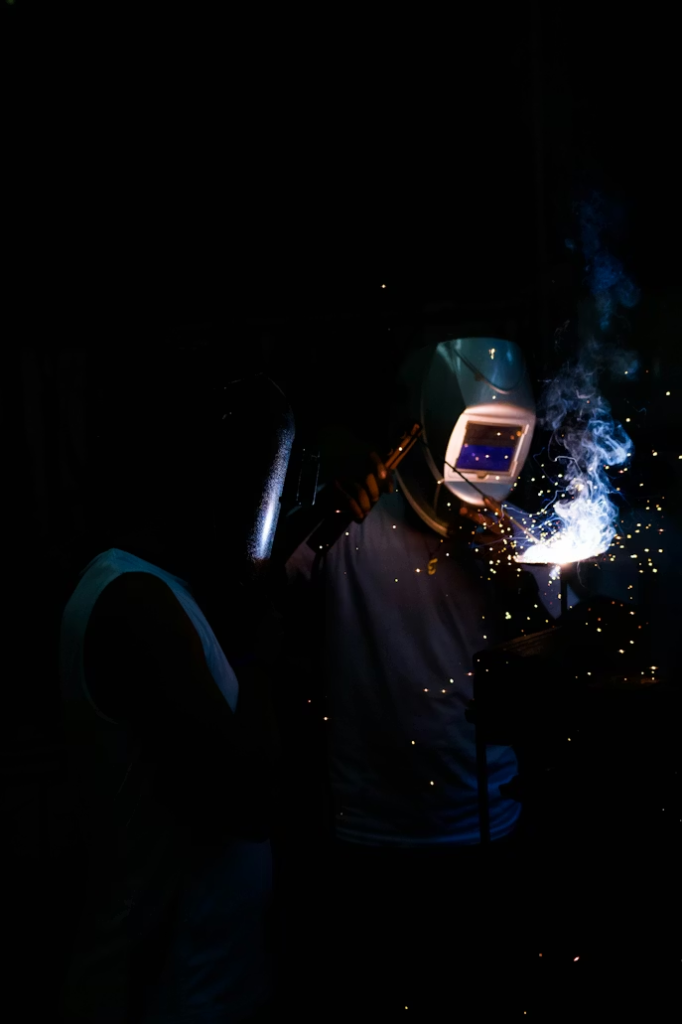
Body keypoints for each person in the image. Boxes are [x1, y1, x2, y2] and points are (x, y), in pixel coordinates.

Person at [277, 333, 547, 1020]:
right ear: (428, 430)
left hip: (489, 833)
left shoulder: (526, 543)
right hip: (369, 843)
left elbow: (555, 678)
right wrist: (325, 498)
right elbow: (262, 597)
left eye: (502, 444)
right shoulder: (350, 527)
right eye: (475, 442)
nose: (485, 468)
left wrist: (512, 581)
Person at [58, 365, 295, 1023]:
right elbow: (246, 800)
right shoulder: (137, 602)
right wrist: (268, 647)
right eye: (260, 484)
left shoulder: (163, 590)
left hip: (207, 982)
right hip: (173, 996)